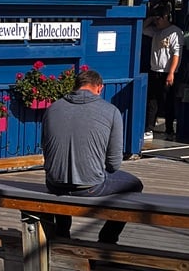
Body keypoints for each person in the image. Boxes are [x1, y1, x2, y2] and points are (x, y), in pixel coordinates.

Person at [42, 68, 144, 244]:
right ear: (99, 88)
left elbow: (46, 149)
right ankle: (108, 238)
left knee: (63, 183)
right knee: (135, 185)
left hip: (54, 183)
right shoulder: (111, 111)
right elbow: (114, 164)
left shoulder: (52, 108)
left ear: (75, 86)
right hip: (90, 187)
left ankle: (62, 232)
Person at [142, 2, 183, 140]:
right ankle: (149, 128)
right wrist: (151, 19)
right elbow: (142, 28)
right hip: (155, 70)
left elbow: (176, 54)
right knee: (152, 101)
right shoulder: (155, 31)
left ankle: (169, 129)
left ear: (166, 17)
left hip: (168, 72)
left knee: (167, 101)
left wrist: (171, 73)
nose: (156, 22)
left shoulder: (175, 32)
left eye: (159, 18)